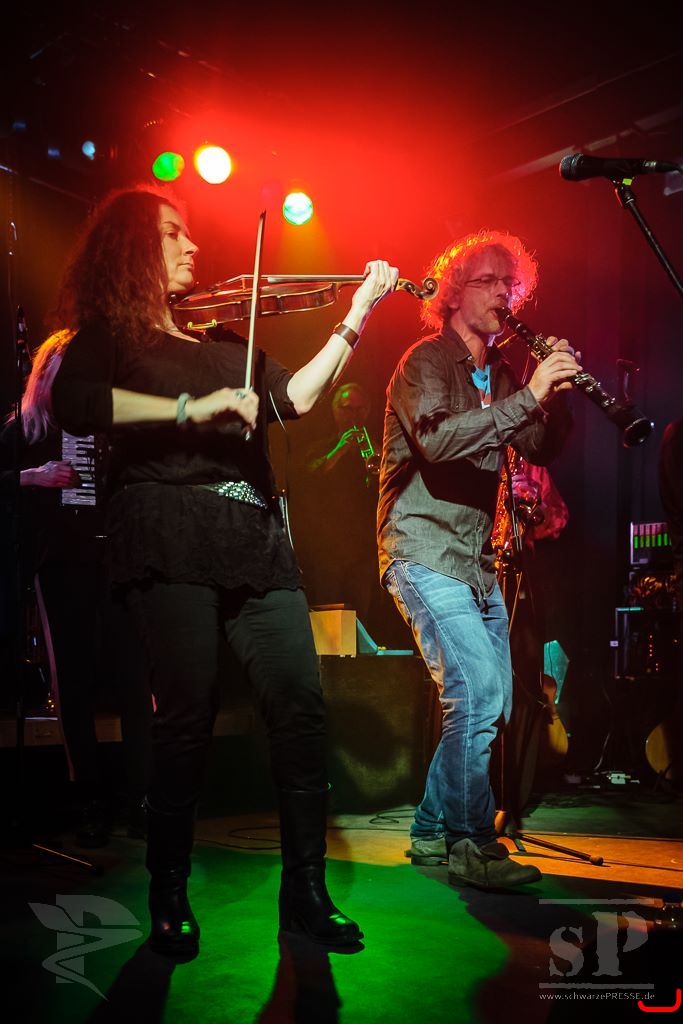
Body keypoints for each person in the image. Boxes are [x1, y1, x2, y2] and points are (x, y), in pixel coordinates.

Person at [49, 182, 398, 957]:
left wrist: (356, 315)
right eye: (172, 233)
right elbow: (76, 402)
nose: (193, 245)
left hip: (251, 536)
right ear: (132, 250)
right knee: (187, 715)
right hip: (166, 527)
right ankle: (168, 891)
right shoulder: (112, 336)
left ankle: (304, 893)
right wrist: (189, 410)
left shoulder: (224, 339)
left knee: (300, 706)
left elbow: (296, 399)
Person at [376, 228, 581, 890]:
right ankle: (471, 844)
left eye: (510, 284)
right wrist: (529, 394)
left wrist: (557, 389)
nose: (503, 294)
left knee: (489, 701)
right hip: (422, 547)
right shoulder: (424, 362)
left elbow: (541, 446)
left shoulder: (504, 374)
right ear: (453, 292)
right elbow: (439, 441)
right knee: (479, 692)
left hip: (474, 561)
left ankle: (430, 828)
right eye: (488, 281)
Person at [294, 380, 406, 645]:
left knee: (362, 618)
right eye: (347, 408)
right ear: (335, 411)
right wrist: (340, 449)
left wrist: (379, 460)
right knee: (329, 617)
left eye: (359, 409)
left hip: (363, 548)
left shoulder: (377, 447)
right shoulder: (321, 446)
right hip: (328, 549)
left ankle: (361, 667)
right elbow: (309, 479)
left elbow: (392, 490)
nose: (354, 415)